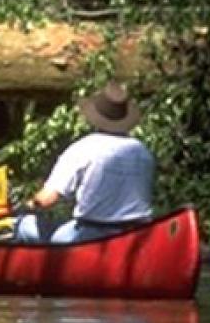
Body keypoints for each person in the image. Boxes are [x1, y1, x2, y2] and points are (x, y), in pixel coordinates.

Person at [14, 81, 155, 243]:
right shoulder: (143, 151)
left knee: (24, 225)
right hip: (138, 231)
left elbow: (47, 200)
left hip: (91, 233)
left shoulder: (83, 147)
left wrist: (29, 204)